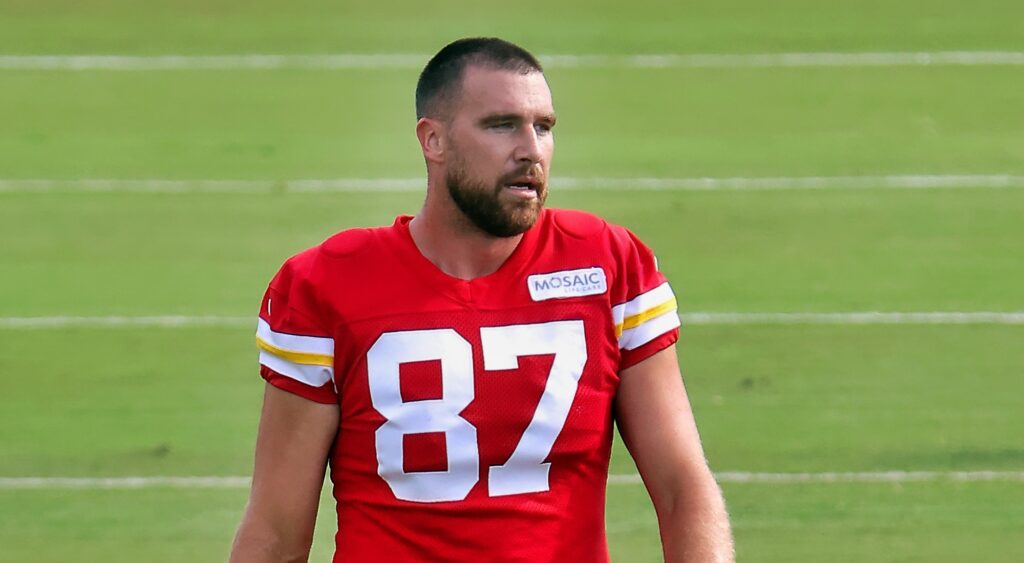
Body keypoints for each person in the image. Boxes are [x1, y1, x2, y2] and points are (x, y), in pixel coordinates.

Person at [230, 37, 733, 562]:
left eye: (544, 127)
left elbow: (683, 489)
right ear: (434, 141)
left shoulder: (607, 265)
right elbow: (276, 530)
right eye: (501, 125)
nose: (530, 149)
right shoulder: (327, 284)